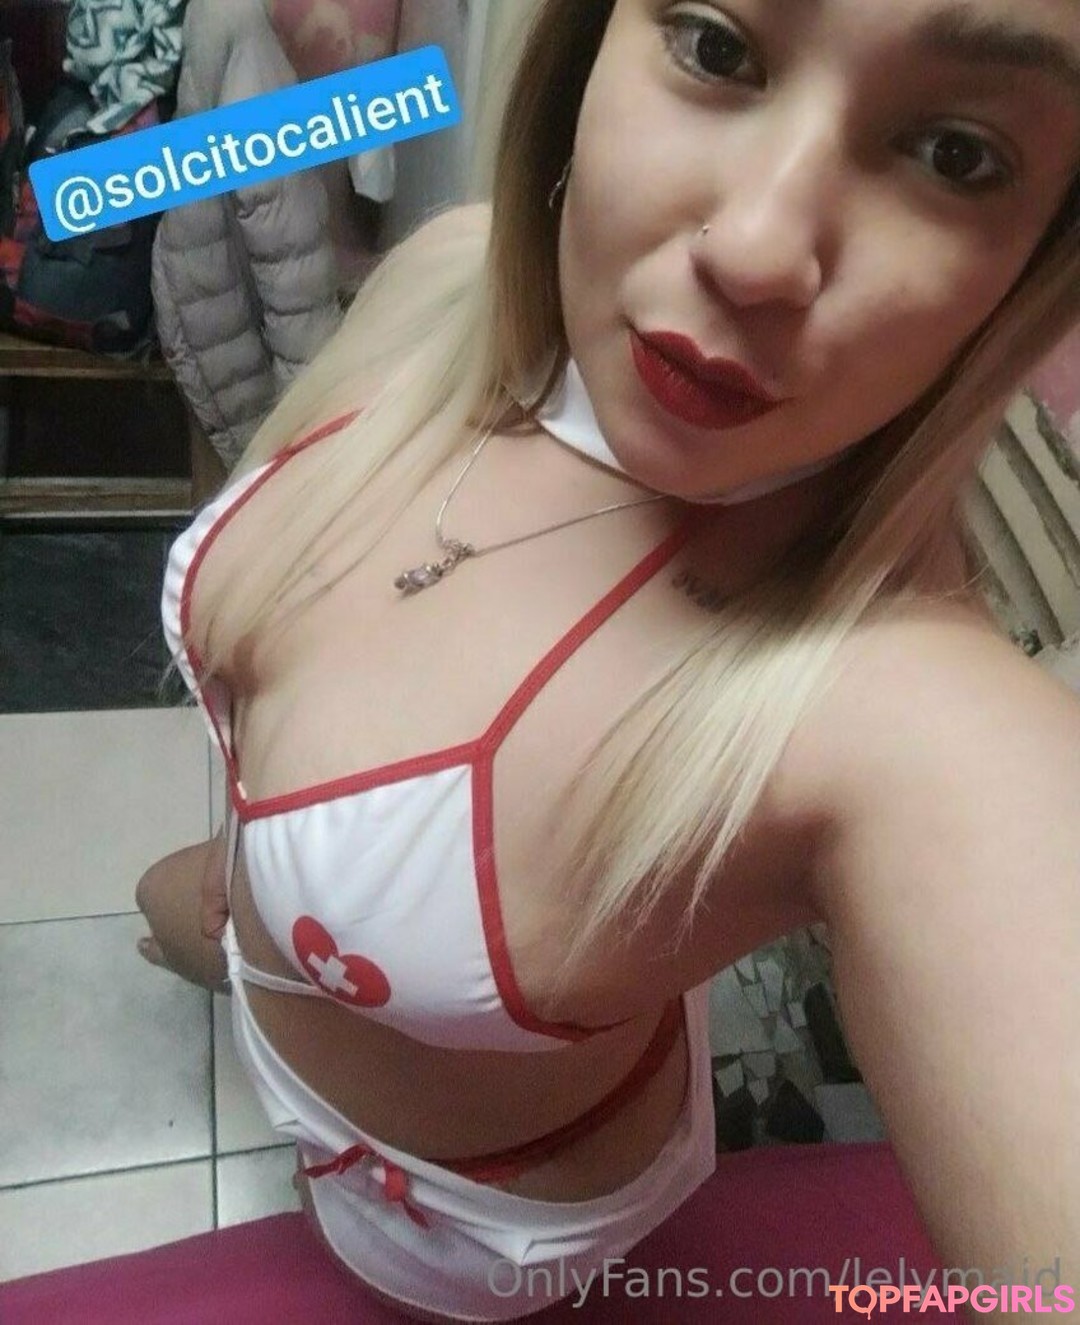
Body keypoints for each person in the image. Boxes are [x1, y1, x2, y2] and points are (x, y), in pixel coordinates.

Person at [135, 0, 1080, 1320]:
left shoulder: (908, 709)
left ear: (1040, 261)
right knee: (154, 910)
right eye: (717, 47)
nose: (756, 247)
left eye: (956, 154)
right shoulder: (448, 277)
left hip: (456, 1218)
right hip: (270, 959)